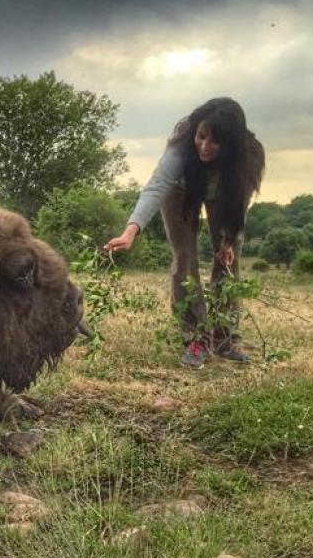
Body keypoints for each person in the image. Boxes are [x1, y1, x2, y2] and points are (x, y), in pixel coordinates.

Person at [104, 98, 265, 368]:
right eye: (201, 136)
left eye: (214, 141)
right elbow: (156, 187)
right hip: (180, 189)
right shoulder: (181, 148)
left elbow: (239, 204)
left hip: (225, 195)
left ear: (231, 144)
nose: (204, 146)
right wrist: (131, 231)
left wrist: (227, 241)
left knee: (229, 259)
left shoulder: (247, 158)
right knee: (184, 259)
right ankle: (195, 338)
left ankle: (224, 338)